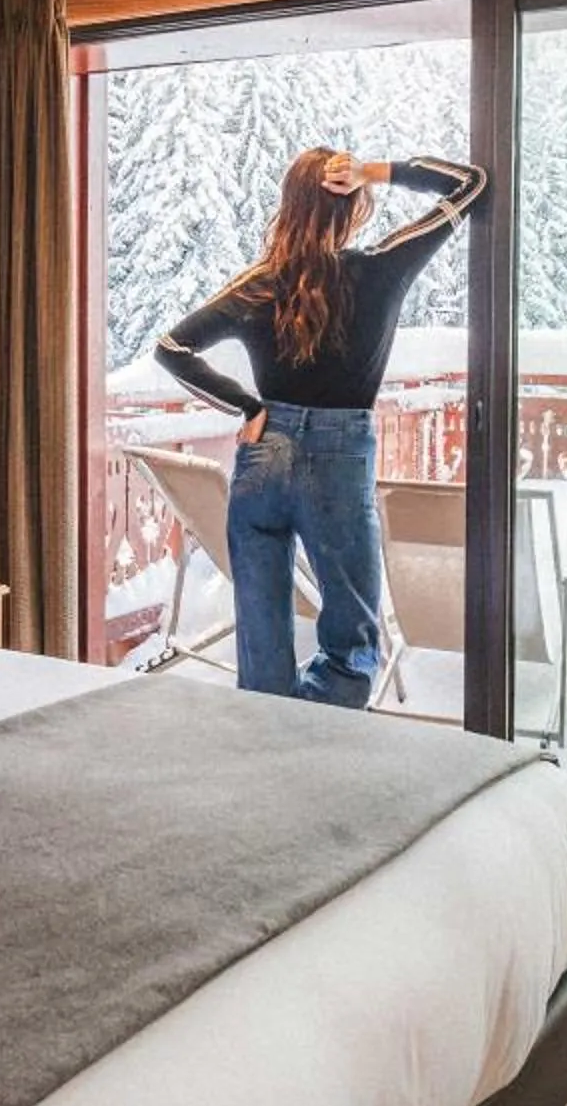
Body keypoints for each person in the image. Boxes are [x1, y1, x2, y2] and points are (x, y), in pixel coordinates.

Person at [155, 148, 490, 704]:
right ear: (354, 207)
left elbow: (172, 348)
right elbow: (471, 184)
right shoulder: (384, 267)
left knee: (261, 651)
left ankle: (272, 735)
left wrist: (248, 407)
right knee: (352, 645)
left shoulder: (259, 285)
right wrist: (375, 171)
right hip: (339, 460)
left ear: (289, 205)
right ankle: (315, 735)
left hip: (265, 458)